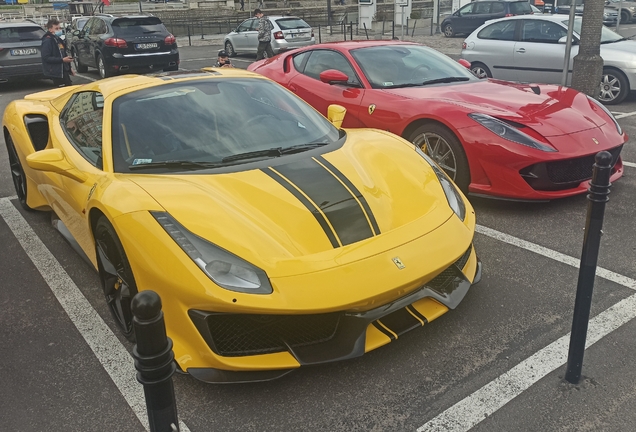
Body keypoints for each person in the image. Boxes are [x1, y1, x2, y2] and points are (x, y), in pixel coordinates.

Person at [41, 18, 74, 87]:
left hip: (63, 70)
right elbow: (46, 58)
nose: (59, 30)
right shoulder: (48, 41)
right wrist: (62, 60)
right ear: (50, 29)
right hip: (56, 72)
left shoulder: (58, 39)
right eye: (56, 29)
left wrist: (69, 67)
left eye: (60, 28)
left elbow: (64, 53)